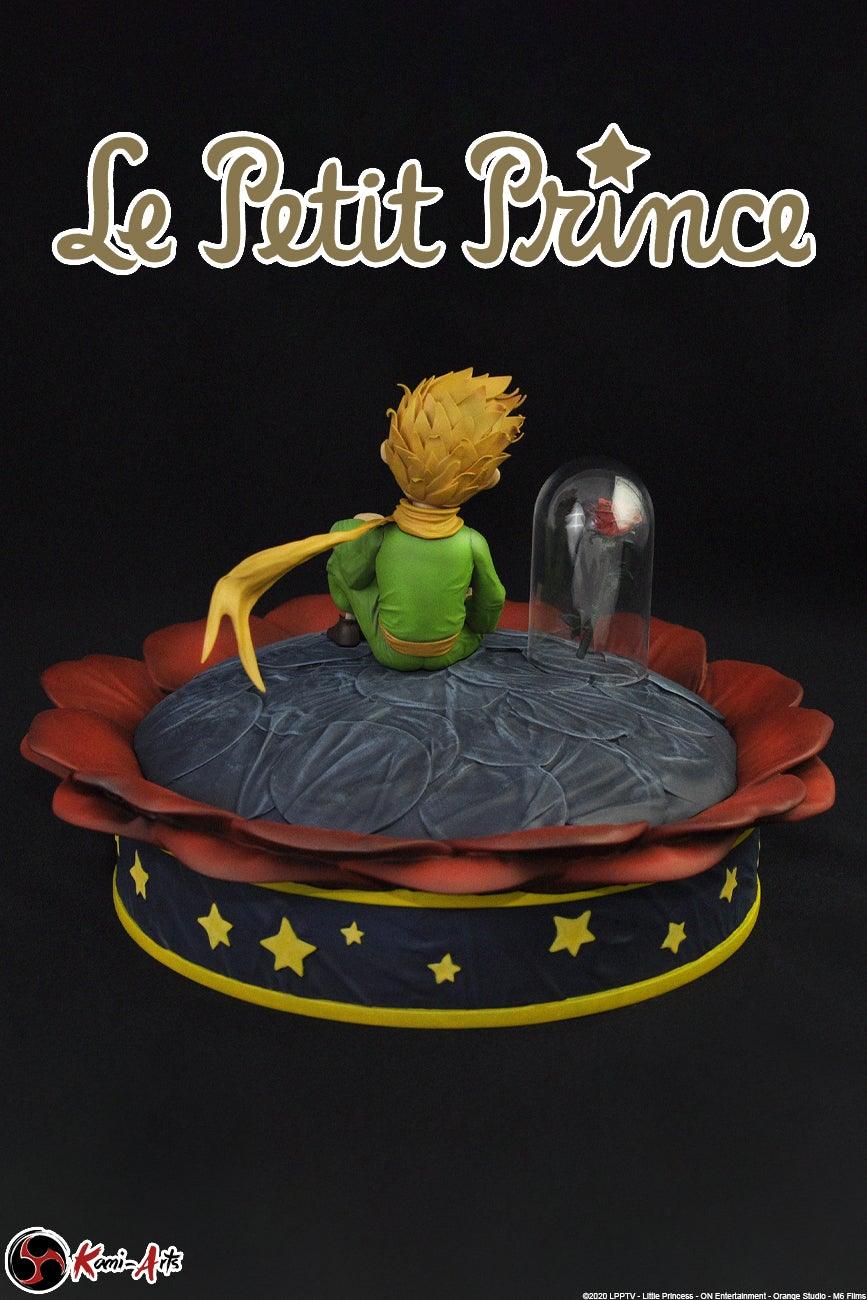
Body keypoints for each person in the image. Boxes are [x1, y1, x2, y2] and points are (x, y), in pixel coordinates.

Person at [201, 368, 525, 690]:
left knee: (344, 548)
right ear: (488, 478)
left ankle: (348, 623)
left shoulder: (383, 536)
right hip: (450, 651)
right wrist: (476, 625)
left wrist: (358, 532)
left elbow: (354, 577)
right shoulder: (472, 542)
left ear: (389, 452)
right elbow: (493, 598)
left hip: (390, 652)